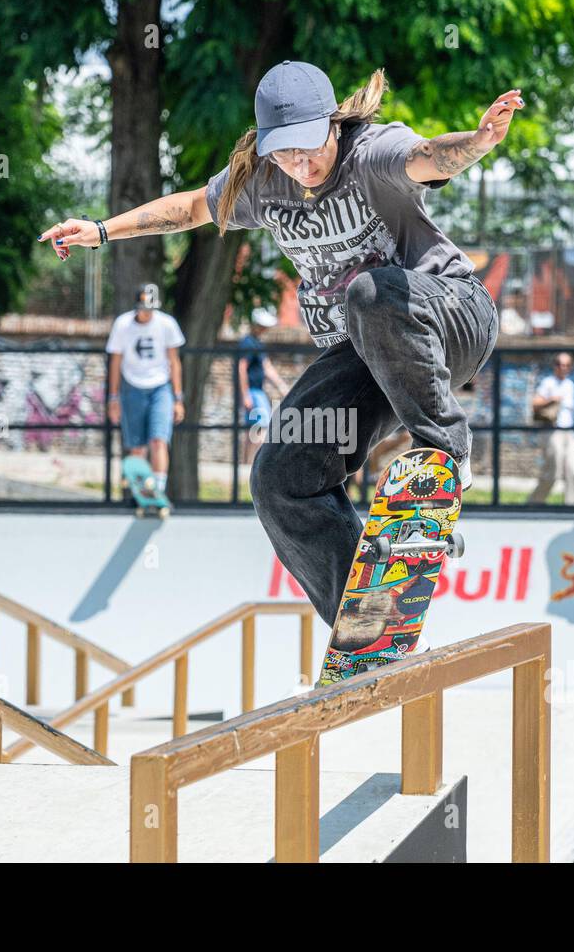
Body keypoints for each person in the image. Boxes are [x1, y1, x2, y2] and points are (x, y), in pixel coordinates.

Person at [41, 62, 514, 649]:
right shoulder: (264, 182)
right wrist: (102, 229)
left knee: (370, 292)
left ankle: (446, 451)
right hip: (371, 355)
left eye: (310, 150)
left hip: (451, 314)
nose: (301, 165)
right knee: (279, 474)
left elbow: (426, 156)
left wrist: (476, 142)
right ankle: (369, 618)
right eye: (285, 154)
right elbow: (192, 208)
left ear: (333, 125)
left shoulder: (370, 153)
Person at [104, 283, 186, 495]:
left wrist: (178, 398)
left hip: (160, 387)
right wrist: (113, 398)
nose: (146, 314)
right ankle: (141, 491)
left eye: (150, 309)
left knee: (159, 439)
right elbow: (115, 362)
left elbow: (174, 362)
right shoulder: (123, 325)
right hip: (132, 385)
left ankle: (158, 488)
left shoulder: (167, 324)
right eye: (143, 309)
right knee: (137, 445)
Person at [528, 351, 574, 505]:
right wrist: (551, 399)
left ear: (570, 367)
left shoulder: (570, 384)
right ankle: (534, 504)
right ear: (555, 366)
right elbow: (535, 403)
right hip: (552, 431)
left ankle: (573, 506)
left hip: (568, 432)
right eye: (559, 364)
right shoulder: (548, 383)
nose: (563, 368)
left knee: (573, 470)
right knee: (553, 473)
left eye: (566, 365)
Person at [238, 306, 288, 466]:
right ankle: (252, 463)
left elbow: (267, 368)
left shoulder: (257, 344)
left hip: (257, 391)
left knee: (253, 428)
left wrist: (281, 386)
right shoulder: (248, 343)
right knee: (262, 425)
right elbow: (241, 368)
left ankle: (247, 463)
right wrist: (245, 394)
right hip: (253, 392)